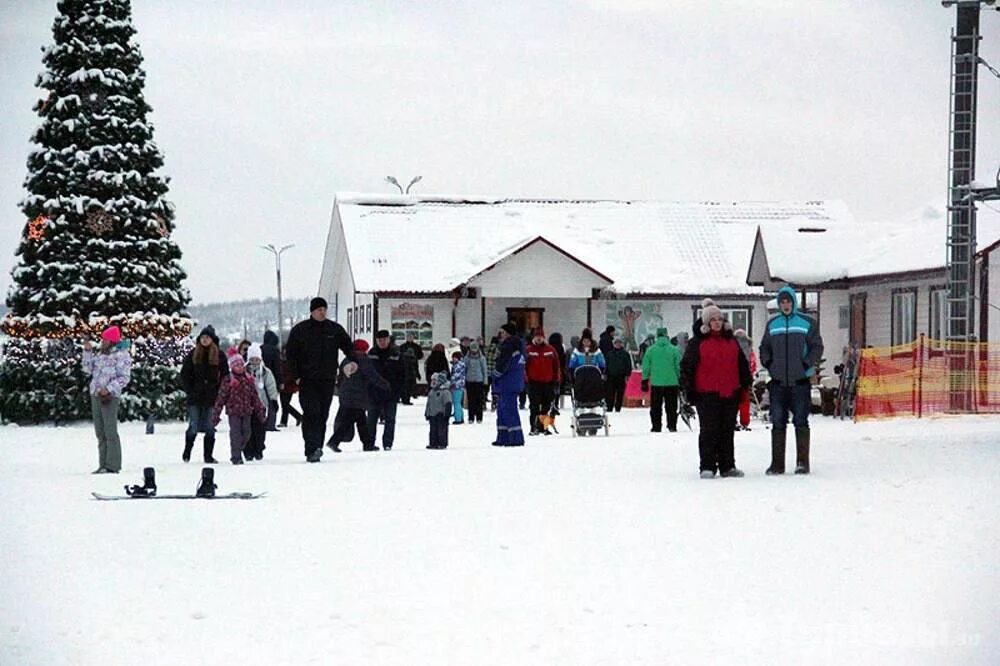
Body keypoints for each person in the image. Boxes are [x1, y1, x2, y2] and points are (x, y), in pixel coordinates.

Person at [681, 300, 751, 479]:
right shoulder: (697, 343)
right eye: (713, 319)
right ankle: (707, 466)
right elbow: (687, 366)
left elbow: (742, 364)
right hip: (706, 393)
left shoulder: (732, 341)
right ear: (706, 323)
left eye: (720, 319)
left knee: (727, 430)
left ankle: (728, 466)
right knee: (708, 431)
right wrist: (688, 389)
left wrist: (746, 383)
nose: (717, 322)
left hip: (730, 392)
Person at [759, 285, 824, 475]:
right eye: (782, 301)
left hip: (800, 382)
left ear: (793, 302)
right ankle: (777, 464)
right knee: (778, 422)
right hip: (778, 383)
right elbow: (764, 347)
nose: (785, 304)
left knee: (801, 422)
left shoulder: (806, 323)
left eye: (788, 301)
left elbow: (817, 347)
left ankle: (802, 463)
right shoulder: (772, 325)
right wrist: (769, 363)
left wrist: (806, 364)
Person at [285, 297, 357, 463]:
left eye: (324, 309)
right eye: (319, 309)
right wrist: (295, 376)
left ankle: (317, 446)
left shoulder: (334, 329)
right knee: (311, 413)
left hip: (327, 379)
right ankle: (311, 449)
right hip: (307, 380)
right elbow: (290, 355)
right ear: (312, 311)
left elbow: (348, 346)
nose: (322, 312)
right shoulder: (300, 330)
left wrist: (353, 360)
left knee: (323, 414)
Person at [324, 339, 388, 457]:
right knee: (350, 420)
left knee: (361, 420)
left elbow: (340, 377)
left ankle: (367, 444)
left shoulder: (346, 359)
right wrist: (386, 385)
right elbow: (372, 375)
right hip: (357, 395)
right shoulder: (363, 360)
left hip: (346, 394)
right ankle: (334, 441)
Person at [82, 325, 132, 474]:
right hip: (95, 395)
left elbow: (124, 378)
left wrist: (109, 388)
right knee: (100, 431)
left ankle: (112, 465)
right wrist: (87, 351)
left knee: (110, 430)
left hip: (110, 397)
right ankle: (102, 464)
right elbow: (87, 369)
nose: (102, 341)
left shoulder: (122, 355)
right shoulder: (100, 354)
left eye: (105, 339)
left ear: (112, 340)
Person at [180, 325, 229, 464]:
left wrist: (220, 391)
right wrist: (189, 389)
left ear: (212, 339)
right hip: (195, 396)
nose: (205, 340)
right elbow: (185, 373)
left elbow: (225, 375)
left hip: (212, 396)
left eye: (207, 337)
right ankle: (187, 450)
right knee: (193, 425)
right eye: (202, 337)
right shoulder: (194, 353)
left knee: (210, 426)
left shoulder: (219, 355)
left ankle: (208, 456)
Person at [212, 348, 266, 465]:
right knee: (235, 434)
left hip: (247, 412)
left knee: (247, 433)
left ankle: (239, 447)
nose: (240, 367)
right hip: (233, 412)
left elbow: (255, 397)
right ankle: (236, 456)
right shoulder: (228, 380)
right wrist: (216, 414)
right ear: (232, 367)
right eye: (237, 365)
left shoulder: (248, 380)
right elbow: (221, 398)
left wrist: (260, 411)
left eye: (242, 365)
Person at [367, 330, 405, 450]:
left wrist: (398, 391)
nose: (382, 342)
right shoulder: (371, 354)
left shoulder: (396, 354)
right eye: (379, 340)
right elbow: (367, 373)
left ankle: (387, 443)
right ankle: (369, 443)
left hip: (391, 393)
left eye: (384, 339)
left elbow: (402, 374)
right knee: (371, 420)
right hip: (374, 393)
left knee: (390, 419)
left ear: (389, 339)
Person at [492, 323, 526, 446]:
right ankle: (504, 436)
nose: (500, 335)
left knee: (508, 410)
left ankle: (515, 438)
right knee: (502, 410)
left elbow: (503, 365)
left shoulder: (509, 347)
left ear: (508, 333)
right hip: (514, 382)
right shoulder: (519, 346)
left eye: (502, 332)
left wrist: (495, 374)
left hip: (507, 382)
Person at [641, 327, 681, 432]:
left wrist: (645, 380)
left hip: (656, 383)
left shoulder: (651, 350)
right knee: (671, 406)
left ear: (657, 336)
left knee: (655, 407)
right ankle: (672, 425)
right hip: (672, 382)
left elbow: (646, 366)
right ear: (667, 335)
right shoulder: (674, 349)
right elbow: (678, 366)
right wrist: (680, 378)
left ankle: (656, 426)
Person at [245, 343, 278, 461]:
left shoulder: (265, 372)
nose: (254, 361)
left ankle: (259, 449)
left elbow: (271, 386)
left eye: (257, 358)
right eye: (252, 359)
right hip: (246, 405)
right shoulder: (244, 371)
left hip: (261, 405)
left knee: (260, 429)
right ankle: (248, 450)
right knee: (248, 429)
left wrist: (273, 400)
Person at [524, 327, 561, 434]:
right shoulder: (528, 350)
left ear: (543, 337)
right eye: (537, 337)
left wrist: (557, 379)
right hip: (533, 383)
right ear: (534, 338)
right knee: (534, 406)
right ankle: (533, 427)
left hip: (548, 383)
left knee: (547, 406)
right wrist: (526, 380)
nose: (539, 339)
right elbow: (523, 366)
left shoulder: (551, 350)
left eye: (540, 337)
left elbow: (556, 366)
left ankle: (544, 427)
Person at [733, 329, 758, 431]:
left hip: (733, 377)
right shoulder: (749, 347)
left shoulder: (732, 344)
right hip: (746, 378)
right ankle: (745, 422)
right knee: (744, 401)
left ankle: (733, 421)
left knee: (733, 401)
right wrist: (751, 374)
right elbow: (753, 362)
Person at [604, 335, 633, 412]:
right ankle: (609, 407)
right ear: (614, 344)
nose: (618, 344)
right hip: (611, 376)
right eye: (616, 343)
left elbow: (628, 365)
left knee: (620, 393)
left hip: (621, 376)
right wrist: (605, 373)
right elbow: (606, 364)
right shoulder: (609, 354)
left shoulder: (625, 354)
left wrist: (627, 374)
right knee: (610, 393)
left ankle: (618, 407)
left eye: (619, 343)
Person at [425, 371, 453, 449]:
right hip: (432, 414)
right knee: (433, 430)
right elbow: (428, 403)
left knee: (442, 430)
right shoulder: (431, 392)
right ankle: (433, 443)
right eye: (432, 380)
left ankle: (442, 443)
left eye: (435, 380)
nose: (433, 382)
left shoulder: (445, 392)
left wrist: (447, 413)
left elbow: (448, 403)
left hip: (441, 414)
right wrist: (427, 413)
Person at [260, 330, 281, 431]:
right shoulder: (275, 350)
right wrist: (280, 381)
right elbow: (277, 367)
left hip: (259, 377)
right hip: (272, 379)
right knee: (272, 401)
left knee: (261, 401)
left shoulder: (260, 349)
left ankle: (261, 421)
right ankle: (271, 424)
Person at [464, 340, 488, 423]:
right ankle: (471, 417)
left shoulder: (482, 358)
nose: (473, 351)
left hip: (479, 380)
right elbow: (465, 369)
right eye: (472, 349)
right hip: (469, 380)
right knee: (471, 400)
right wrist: (464, 380)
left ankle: (479, 417)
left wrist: (485, 381)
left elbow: (484, 370)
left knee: (479, 399)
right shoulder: (467, 358)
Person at [277, 349, 302, 427]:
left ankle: (284, 421)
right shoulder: (281, 361)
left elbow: (292, 374)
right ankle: (298, 417)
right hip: (284, 385)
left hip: (289, 386)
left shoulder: (292, 362)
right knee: (285, 404)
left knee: (285, 404)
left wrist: (284, 380)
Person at [399, 333, 424, 404]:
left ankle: (406, 398)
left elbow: (420, 356)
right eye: (408, 337)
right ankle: (406, 398)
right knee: (408, 386)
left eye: (411, 337)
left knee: (408, 386)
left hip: (408, 373)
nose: (410, 338)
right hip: (408, 373)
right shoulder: (403, 347)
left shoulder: (415, 347)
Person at [548, 332, 569, 410]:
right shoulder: (561, 348)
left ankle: (551, 403)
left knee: (550, 387)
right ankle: (559, 404)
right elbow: (563, 360)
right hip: (559, 371)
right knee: (560, 388)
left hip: (550, 370)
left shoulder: (549, 348)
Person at [485, 336, 500, 412]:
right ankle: (494, 404)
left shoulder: (486, 349)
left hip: (487, 372)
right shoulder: (497, 350)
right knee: (494, 389)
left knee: (485, 388)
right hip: (495, 372)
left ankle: (483, 403)